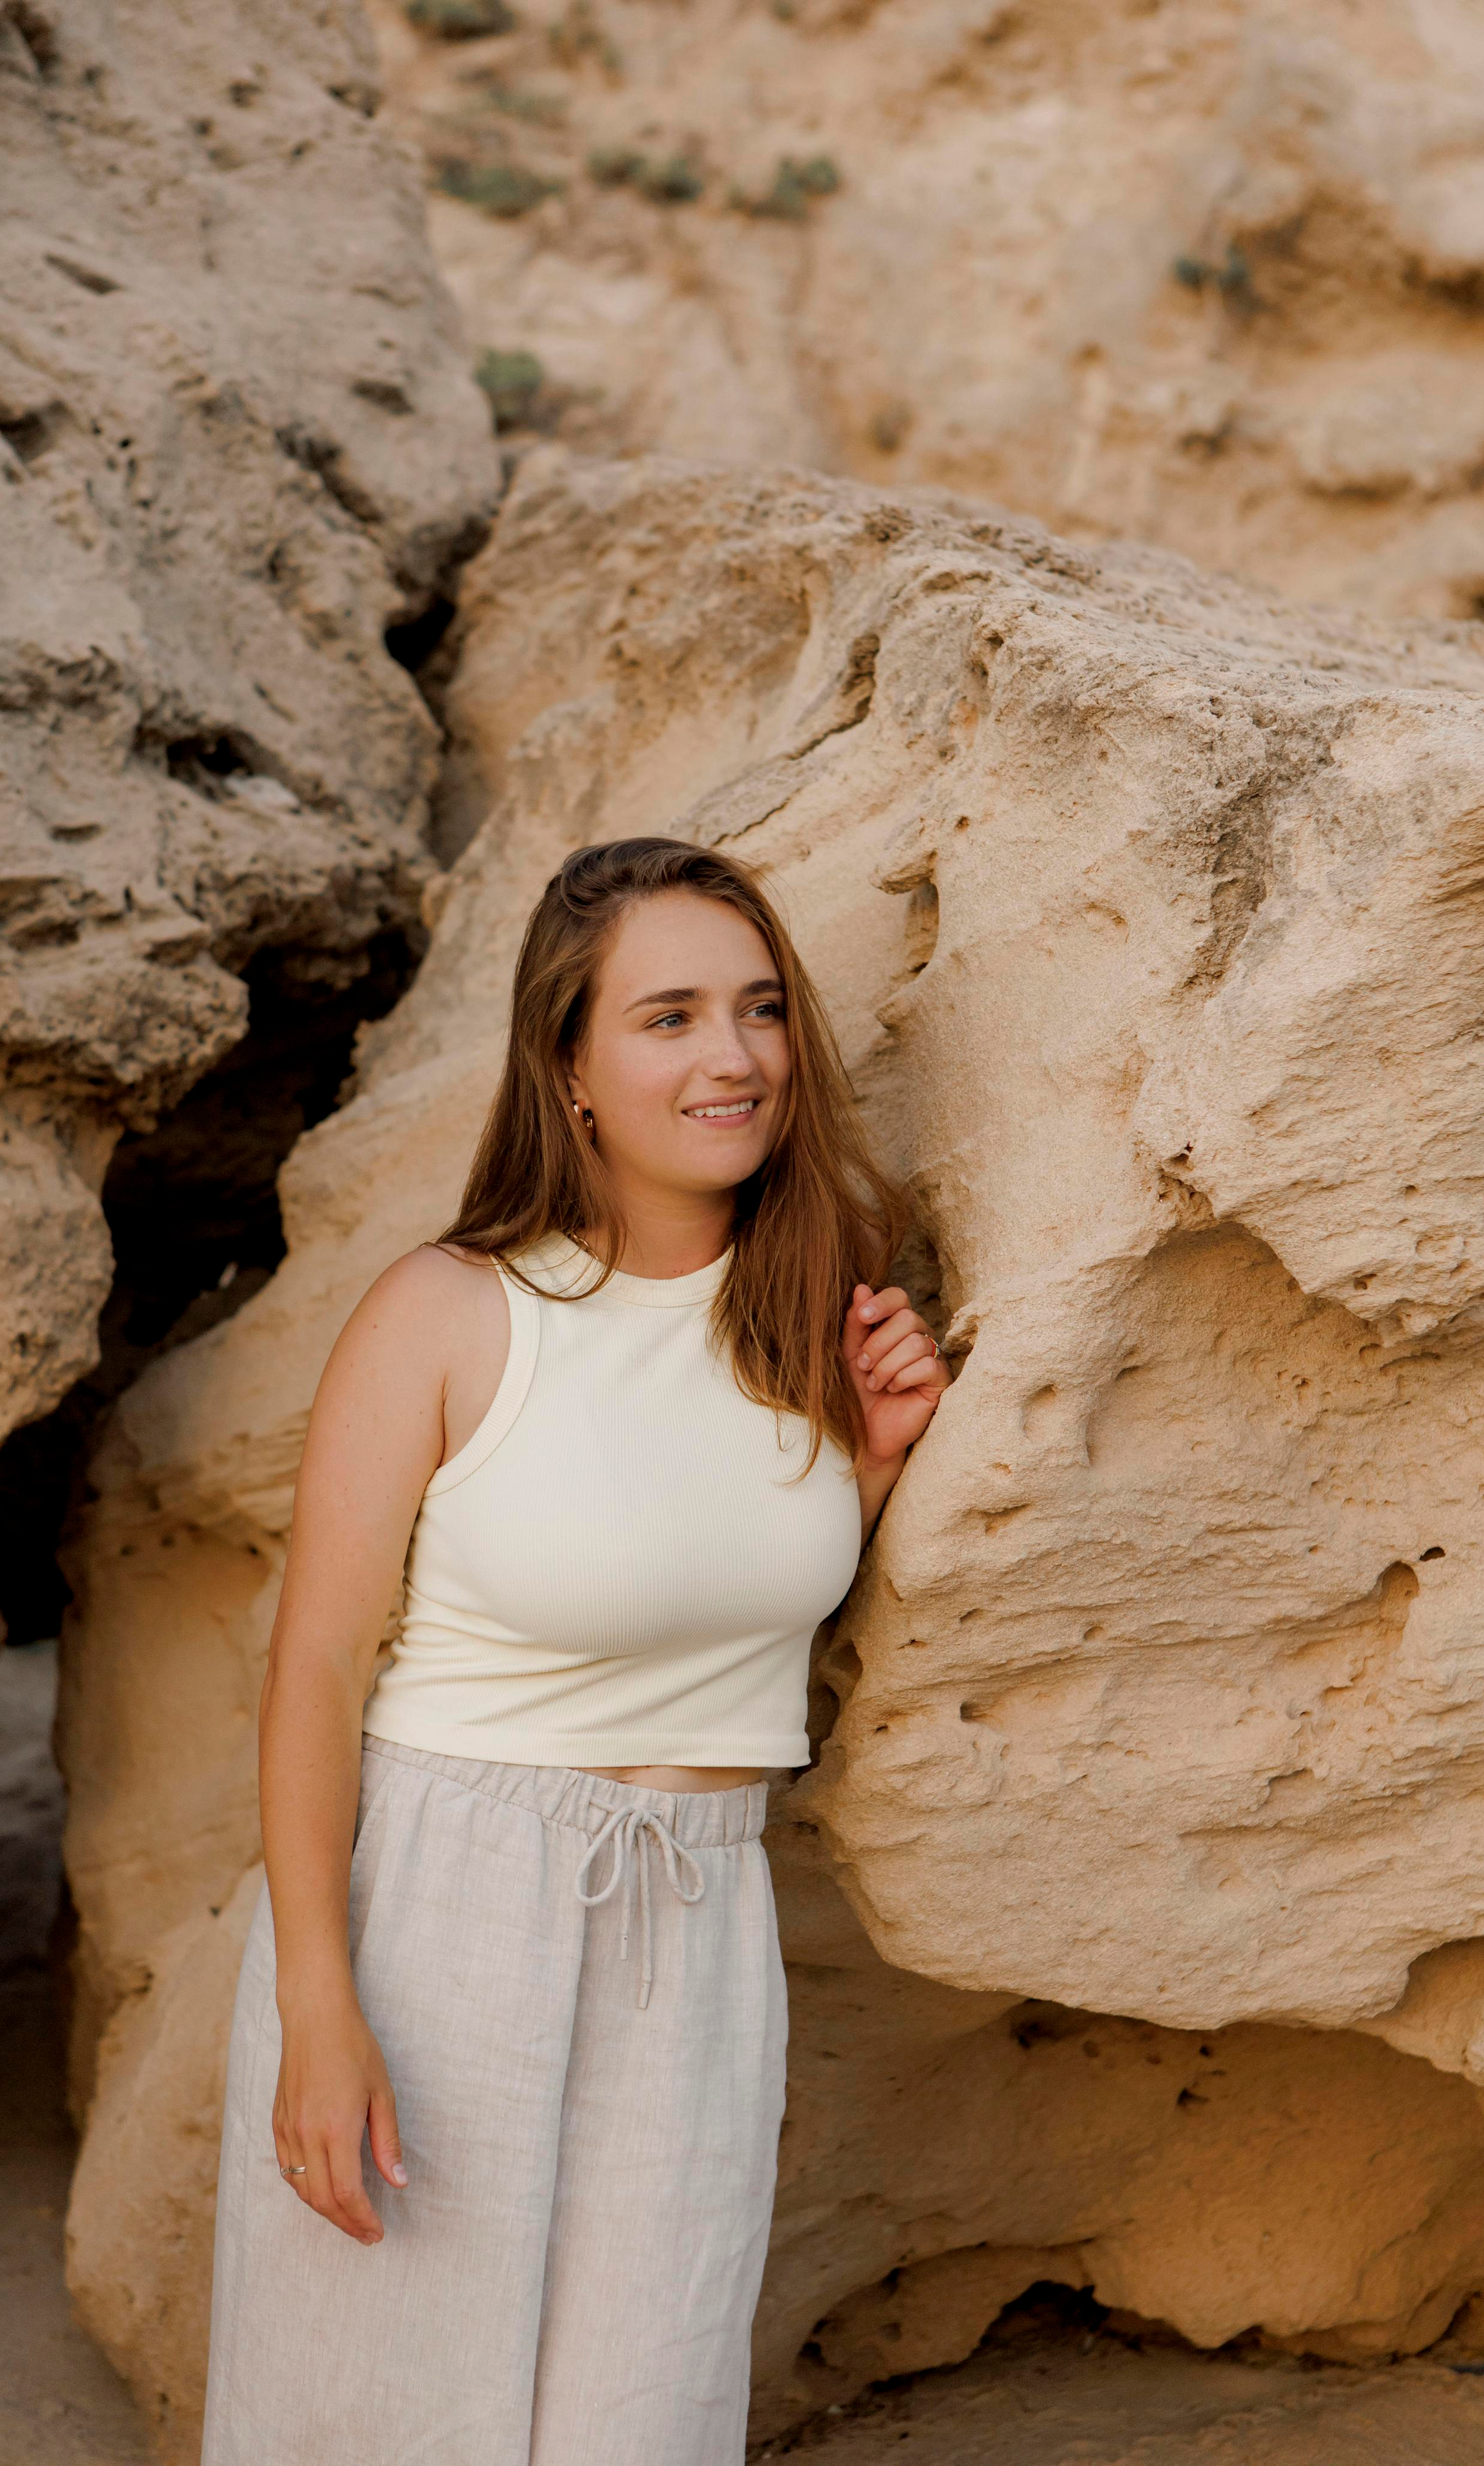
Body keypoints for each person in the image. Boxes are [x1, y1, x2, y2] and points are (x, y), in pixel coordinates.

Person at [200, 835, 952, 2465]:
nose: (730, 1056)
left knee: (640, 2421)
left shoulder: (807, 1312)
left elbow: (717, 1617)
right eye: (667, 1015)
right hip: (447, 1904)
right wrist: (319, 2011)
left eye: (756, 1010)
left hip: (696, 1918)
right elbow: (316, 1667)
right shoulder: (452, 1311)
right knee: (388, 2413)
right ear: (571, 1067)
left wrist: (870, 1471)